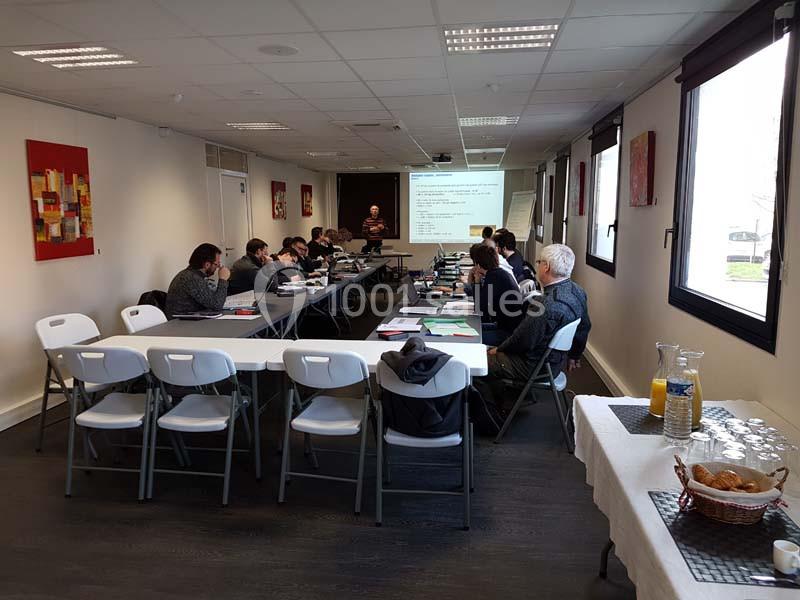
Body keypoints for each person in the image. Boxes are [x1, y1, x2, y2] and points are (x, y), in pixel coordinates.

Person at [476, 244, 591, 413]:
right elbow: (585, 326)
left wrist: (498, 349)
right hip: (555, 363)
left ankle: (493, 412)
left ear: (547, 267)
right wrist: (574, 354)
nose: (537, 265)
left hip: (534, 365)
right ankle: (507, 398)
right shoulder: (577, 291)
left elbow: (522, 340)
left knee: (477, 361)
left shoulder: (546, 305)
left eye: (539, 262)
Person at [472, 244, 524, 346]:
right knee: (471, 327)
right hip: (507, 327)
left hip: (508, 334)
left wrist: (477, 282)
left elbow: (480, 312)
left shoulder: (494, 278)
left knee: (469, 336)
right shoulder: (499, 274)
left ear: (478, 265)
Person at [165, 243, 230, 318]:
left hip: (190, 320)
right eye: (216, 264)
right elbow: (217, 305)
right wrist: (223, 279)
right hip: (180, 324)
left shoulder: (190, 274)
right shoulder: (191, 278)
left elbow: (213, 299)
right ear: (207, 265)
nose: (218, 267)